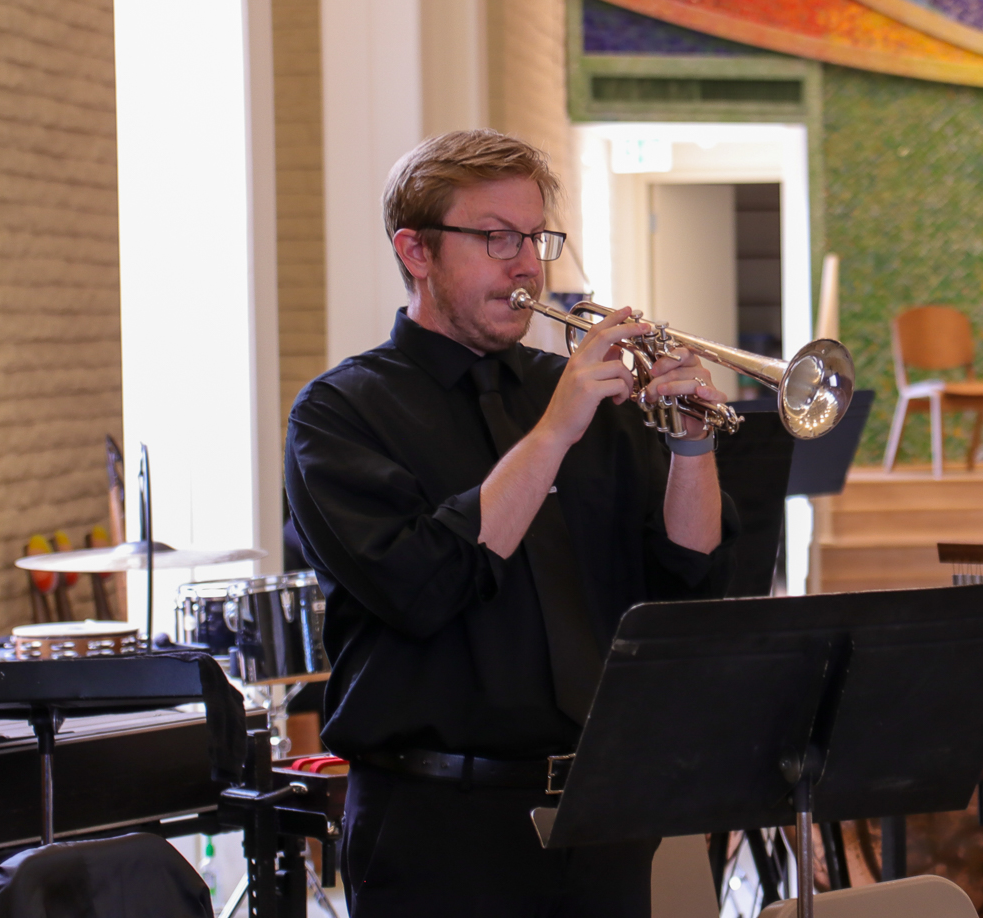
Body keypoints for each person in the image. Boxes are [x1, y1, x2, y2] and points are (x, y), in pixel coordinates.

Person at [284, 130, 736, 916]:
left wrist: (690, 447)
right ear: (416, 252)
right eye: (496, 238)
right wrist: (554, 432)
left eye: (535, 239)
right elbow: (420, 585)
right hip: (438, 824)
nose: (527, 264)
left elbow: (685, 582)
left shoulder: (573, 390)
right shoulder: (340, 413)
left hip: (599, 809)